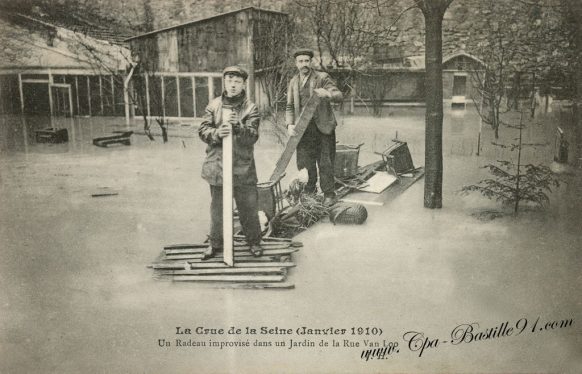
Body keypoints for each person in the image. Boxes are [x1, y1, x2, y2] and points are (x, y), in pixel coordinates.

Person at [198, 66, 263, 259]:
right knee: (217, 210)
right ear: (224, 83)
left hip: (242, 169)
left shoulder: (251, 108)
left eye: (237, 82)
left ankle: (254, 242)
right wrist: (216, 133)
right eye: (229, 81)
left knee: (248, 208)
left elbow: (252, 136)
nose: (233, 85)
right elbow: (203, 130)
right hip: (218, 168)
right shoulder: (213, 105)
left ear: (243, 84)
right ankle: (215, 243)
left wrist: (239, 127)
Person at [286, 49, 343, 206]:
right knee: (305, 163)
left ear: (311, 62)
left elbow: (338, 95)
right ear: (296, 63)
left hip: (323, 128)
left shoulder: (322, 77)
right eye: (300, 61)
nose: (304, 64)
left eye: (306, 61)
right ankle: (309, 193)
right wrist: (289, 124)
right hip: (303, 131)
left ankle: (329, 194)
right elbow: (289, 106)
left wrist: (329, 94)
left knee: (325, 162)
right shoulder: (293, 82)